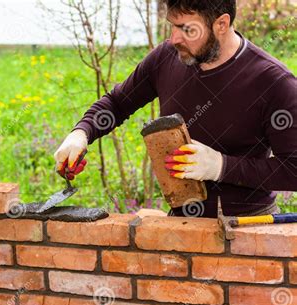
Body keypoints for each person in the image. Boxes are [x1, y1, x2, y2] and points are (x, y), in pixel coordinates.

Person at [53, 0, 297, 218]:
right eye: (172, 25)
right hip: (180, 223)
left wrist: (221, 166)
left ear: (221, 23)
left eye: (187, 29)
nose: (173, 39)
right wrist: (81, 134)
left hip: (249, 225)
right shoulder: (166, 57)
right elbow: (117, 103)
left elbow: (294, 169)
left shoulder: (272, 81)